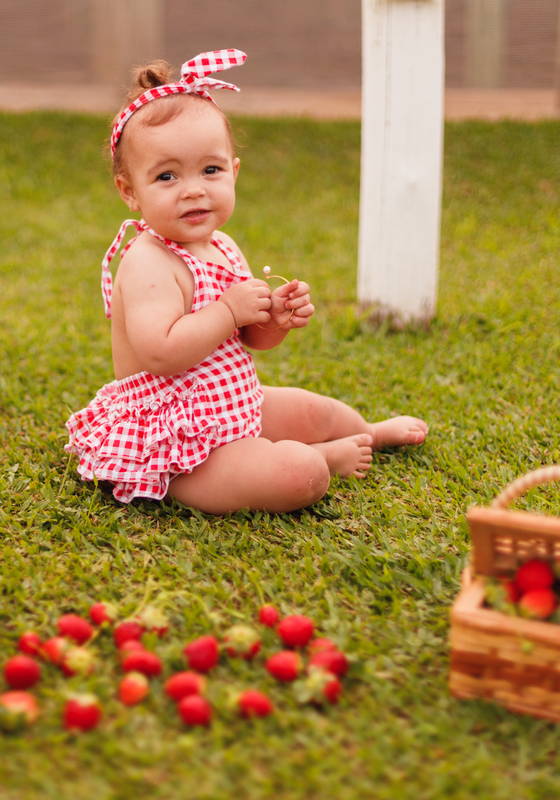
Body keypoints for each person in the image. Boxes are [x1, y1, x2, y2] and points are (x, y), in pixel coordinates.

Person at [66, 49, 427, 514]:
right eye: (167, 175)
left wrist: (272, 318)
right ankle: (316, 459)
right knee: (301, 475)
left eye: (210, 170)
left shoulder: (223, 245)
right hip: (172, 434)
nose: (193, 188)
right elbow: (160, 355)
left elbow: (249, 339)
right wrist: (229, 309)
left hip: (230, 403)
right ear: (129, 191)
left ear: (234, 172)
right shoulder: (147, 262)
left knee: (317, 411)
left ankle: (369, 431)